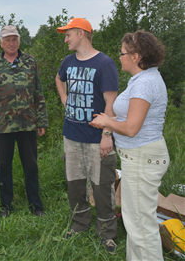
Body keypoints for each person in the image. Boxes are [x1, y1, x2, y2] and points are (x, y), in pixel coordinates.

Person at [90, 31, 169, 261]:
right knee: (135, 222)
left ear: (135, 56)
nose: (120, 57)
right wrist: (110, 119)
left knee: (141, 226)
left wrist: (106, 121)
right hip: (140, 157)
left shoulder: (145, 83)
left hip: (142, 158)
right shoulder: (144, 79)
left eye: (122, 53)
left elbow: (132, 128)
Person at [54, 18, 119, 253]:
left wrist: (107, 134)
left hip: (96, 138)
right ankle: (79, 225)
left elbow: (111, 102)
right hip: (71, 136)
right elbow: (59, 79)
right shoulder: (68, 61)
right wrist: (64, 98)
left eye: (68, 34)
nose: (65, 39)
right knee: (75, 184)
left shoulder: (104, 63)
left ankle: (107, 234)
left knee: (102, 187)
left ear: (81, 33)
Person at [0, 25, 49, 218]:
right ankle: (6, 205)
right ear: (1, 42)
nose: (11, 43)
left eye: (14, 39)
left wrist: (42, 121)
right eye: (7, 40)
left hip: (27, 123)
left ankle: (36, 206)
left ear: (19, 41)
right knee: (3, 165)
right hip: (2, 125)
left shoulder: (30, 62)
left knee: (31, 165)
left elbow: (38, 92)